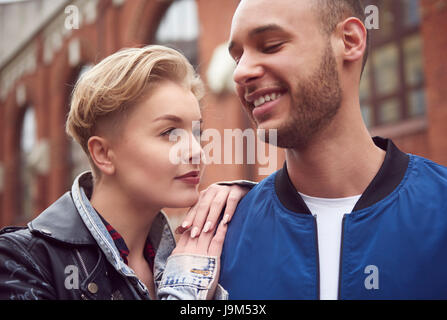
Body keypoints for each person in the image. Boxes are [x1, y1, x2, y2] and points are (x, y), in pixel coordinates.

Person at [219, 0, 447, 299]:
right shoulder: (219, 238)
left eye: (271, 45)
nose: (241, 72)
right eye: (237, 58)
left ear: (349, 41)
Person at [0, 45, 249, 300]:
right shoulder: (20, 261)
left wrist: (253, 199)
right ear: (104, 154)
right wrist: (187, 288)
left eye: (196, 132)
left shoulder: (200, 250)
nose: (196, 150)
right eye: (169, 133)